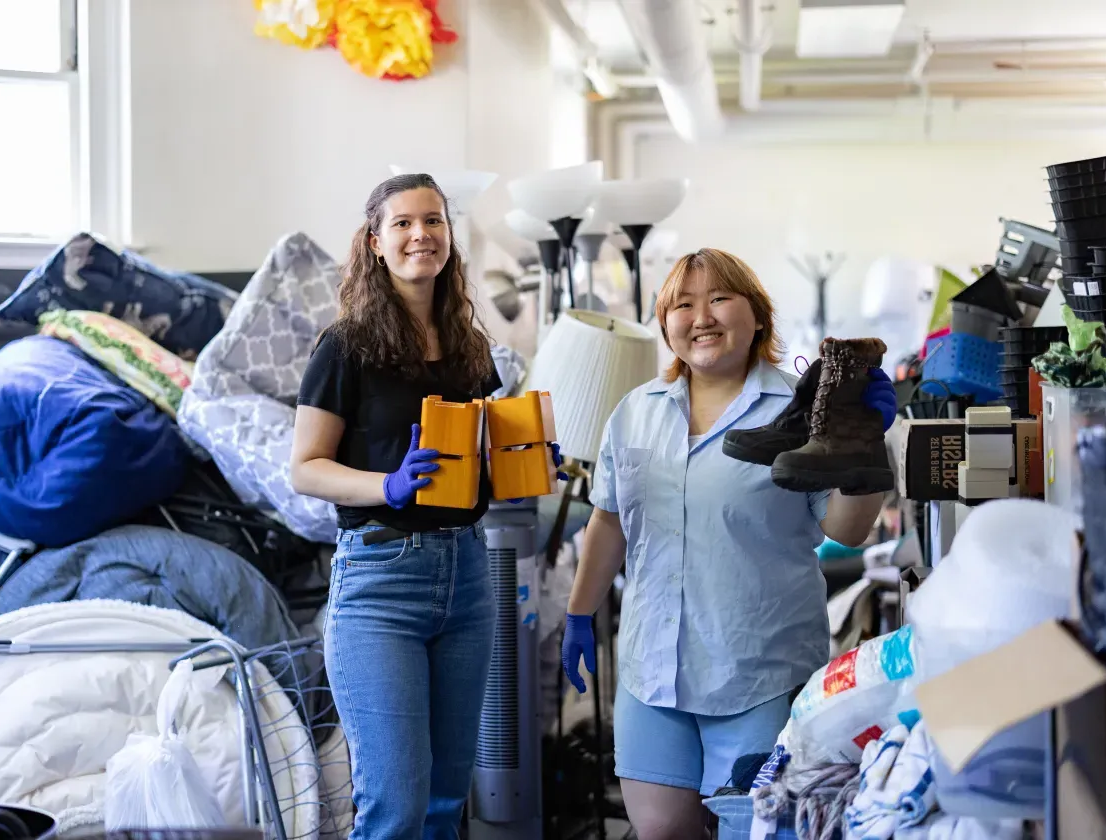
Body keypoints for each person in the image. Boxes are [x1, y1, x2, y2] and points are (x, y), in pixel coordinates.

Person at [560, 248, 897, 840]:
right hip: (652, 669)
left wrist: (866, 449)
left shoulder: (800, 410)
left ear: (757, 315)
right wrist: (578, 614)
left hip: (757, 669)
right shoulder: (635, 413)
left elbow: (845, 530)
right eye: (682, 305)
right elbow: (608, 520)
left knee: (751, 831)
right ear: (665, 324)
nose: (701, 317)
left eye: (719, 298)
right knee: (661, 829)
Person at [290, 173, 561, 839]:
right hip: (381, 581)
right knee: (396, 808)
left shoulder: (472, 350)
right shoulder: (344, 347)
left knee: (445, 806)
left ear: (449, 236)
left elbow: (484, 467)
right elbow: (305, 470)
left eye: (433, 221)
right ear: (376, 243)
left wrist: (524, 463)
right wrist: (388, 486)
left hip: (468, 579)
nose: (421, 235)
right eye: (404, 223)